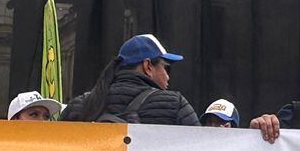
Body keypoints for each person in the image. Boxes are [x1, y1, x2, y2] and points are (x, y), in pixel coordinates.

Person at [59, 34, 199, 125]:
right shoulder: (175, 105)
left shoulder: (80, 105)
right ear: (148, 66)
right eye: (166, 68)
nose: (168, 76)